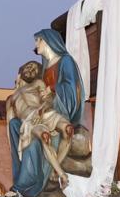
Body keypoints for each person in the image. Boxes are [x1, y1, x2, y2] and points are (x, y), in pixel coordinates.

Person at [9, 28, 86, 197]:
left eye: (38, 40)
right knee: (29, 131)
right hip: (43, 112)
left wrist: (53, 90)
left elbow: (73, 88)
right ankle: (35, 181)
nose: (36, 45)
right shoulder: (44, 69)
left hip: (61, 109)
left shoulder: (65, 61)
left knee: (67, 131)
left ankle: (54, 170)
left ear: (48, 41)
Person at [7, 60, 76, 189]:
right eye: (28, 67)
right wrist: (14, 148)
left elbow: (48, 99)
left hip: (44, 112)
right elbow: (10, 124)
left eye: (34, 69)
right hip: (29, 121)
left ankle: (55, 169)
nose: (31, 70)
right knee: (45, 137)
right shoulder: (11, 99)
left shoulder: (38, 83)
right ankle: (62, 174)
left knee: (69, 130)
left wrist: (42, 109)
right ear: (21, 71)